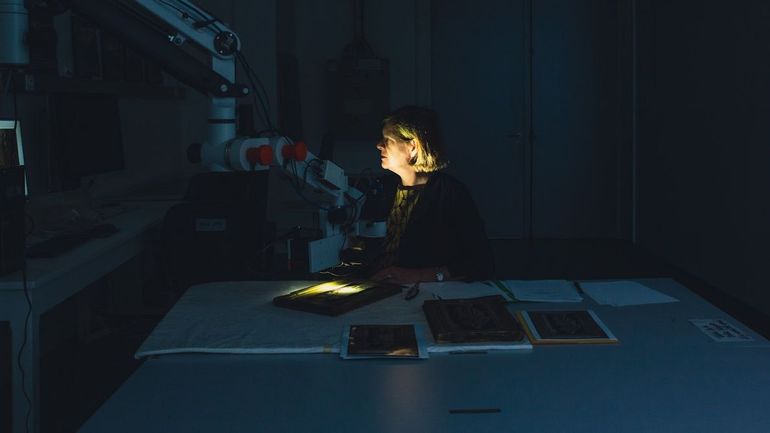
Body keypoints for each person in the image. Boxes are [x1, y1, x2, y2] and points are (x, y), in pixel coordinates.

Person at [369, 105, 494, 284]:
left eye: (387, 140)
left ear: (413, 146)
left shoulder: (450, 194)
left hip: (421, 291)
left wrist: (419, 276)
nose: (379, 145)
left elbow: (481, 261)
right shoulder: (383, 188)